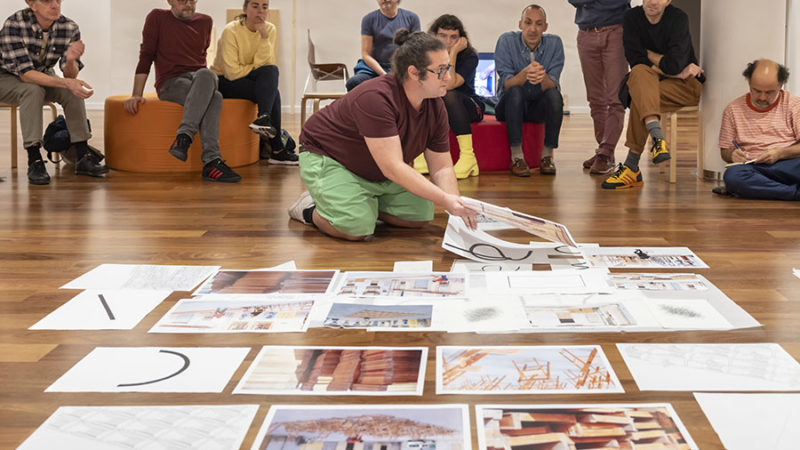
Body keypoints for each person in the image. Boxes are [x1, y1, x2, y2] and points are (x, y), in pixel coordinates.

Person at [288, 30, 478, 241]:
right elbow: (393, 166)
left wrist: (454, 205)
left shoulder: (435, 105)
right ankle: (309, 208)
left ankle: (359, 202)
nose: (448, 77)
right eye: (441, 70)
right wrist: (445, 199)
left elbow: (441, 166)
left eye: (448, 68)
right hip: (329, 157)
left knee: (419, 216)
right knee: (355, 228)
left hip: (376, 168)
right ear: (414, 73)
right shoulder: (376, 98)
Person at [125, 0, 241, 182]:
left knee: (207, 75)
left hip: (199, 81)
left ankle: (183, 138)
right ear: (170, 1)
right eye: (182, 0)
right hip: (171, 83)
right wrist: (136, 94)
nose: (188, 4)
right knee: (216, 97)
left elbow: (201, 59)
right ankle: (211, 162)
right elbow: (146, 56)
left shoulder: (206, 21)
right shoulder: (156, 17)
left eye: (192, 0)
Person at [0, 0, 108, 185]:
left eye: (58, 0)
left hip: (42, 75)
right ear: (31, 4)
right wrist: (66, 82)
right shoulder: (14, 24)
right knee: (32, 90)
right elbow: (26, 74)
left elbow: (69, 74)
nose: (55, 5)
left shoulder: (69, 27)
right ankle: (34, 159)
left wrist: (71, 62)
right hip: (6, 77)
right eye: (47, 1)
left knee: (71, 91)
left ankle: (82, 156)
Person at [602, 0, 703, 189]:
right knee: (639, 73)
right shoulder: (631, 18)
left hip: (685, 86)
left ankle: (632, 167)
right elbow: (634, 59)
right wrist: (672, 70)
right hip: (652, 82)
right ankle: (658, 140)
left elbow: (674, 63)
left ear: (668, 1)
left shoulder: (679, 19)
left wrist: (647, 53)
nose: (653, 1)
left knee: (639, 91)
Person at [210, 0, 297, 165]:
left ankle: (263, 118)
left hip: (247, 77)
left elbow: (266, 64)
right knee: (272, 91)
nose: (260, 11)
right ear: (245, 9)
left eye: (265, 7)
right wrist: (254, 69)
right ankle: (277, 149)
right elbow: (232, 72)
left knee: (271, 71)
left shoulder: (269, 29)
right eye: (255, 6)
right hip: (223, 81)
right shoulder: (231, 31)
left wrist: (264, 37)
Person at [494, 4, 564, 177]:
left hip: (536, 107)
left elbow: (553, 83)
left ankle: (547, 156)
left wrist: (543, 77)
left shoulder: (555, 43)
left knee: (555, 96)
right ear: (520, 24)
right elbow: (506, 84)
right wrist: (524, 75)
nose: (533, 29)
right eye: (528, 22)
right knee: (516, 90)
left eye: (539, 24)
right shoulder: (506, 40)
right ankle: (517, 158)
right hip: (509, 105)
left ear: (545, 27)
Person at [715, 60, 800, 201]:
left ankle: (767, 189)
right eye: (757, 91)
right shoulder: (733, 110)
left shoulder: (794, 105)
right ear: (749, 84)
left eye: (769, 92)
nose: (762, 97)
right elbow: (725, 151)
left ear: (781, 85)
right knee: (733, 176)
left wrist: (780, 153)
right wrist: (732, 155)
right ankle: (794, 193)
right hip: (755, 167)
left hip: (789, 163)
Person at [413, 14, 482, 179]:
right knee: (422, 94)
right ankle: (419, 153)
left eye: (453, 37)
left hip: (469, 106)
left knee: (449, 94)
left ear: (461, 39)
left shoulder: (469, 56)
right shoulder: (427, 55)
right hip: (439, 106)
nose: (447, 41)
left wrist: (454, 53)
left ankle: (468, 157)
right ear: (434, 36)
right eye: (442, 36)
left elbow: (449, 83)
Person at [569, 0, 630, 175]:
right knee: (595, 99)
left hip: (616, 31)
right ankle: (604, 152)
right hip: (586, 32)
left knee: (616, 98)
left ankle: (605, 151)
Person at [345, 0, 420, 91]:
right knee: (353, 82)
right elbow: (365, 54)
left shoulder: (412, 18)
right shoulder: (369, 19)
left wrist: (399, 71)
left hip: (400, 67)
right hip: (371, 69)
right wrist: (384, 75)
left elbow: (415, 50)